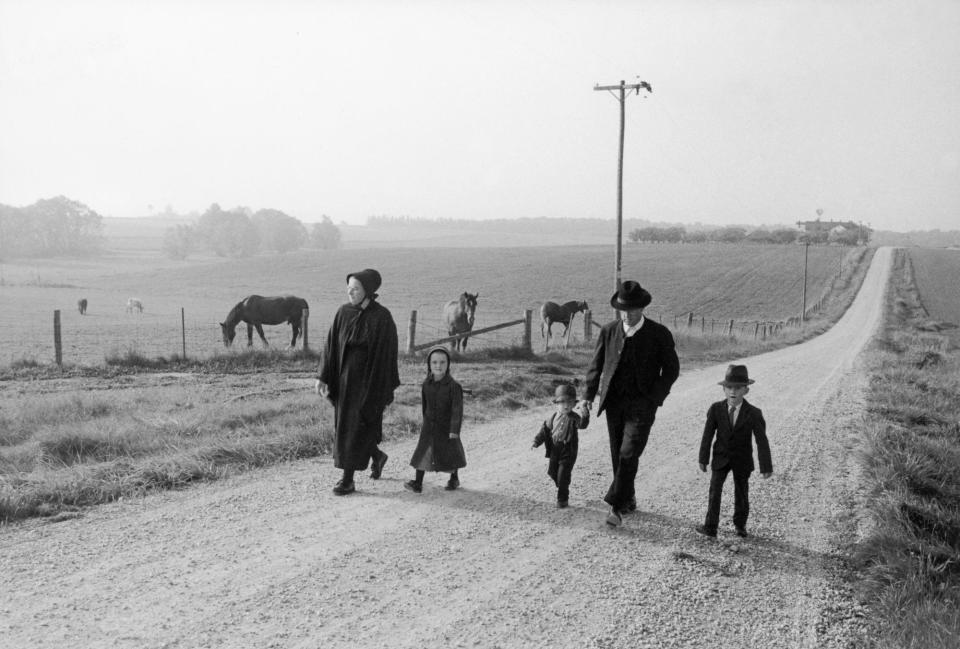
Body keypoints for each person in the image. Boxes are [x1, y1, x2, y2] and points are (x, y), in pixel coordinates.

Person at [582, 280, 680, 527]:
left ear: (642, 309)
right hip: (614, 403)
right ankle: (629, 496)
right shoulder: (609, 331)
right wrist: (587, 397)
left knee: (629, 451)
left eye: (633, 310)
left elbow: (671, 370)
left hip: (642, 405)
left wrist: (654, 398)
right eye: (624, 310)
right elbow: (596, 366)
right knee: (618, 454)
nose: (628, 314)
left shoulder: (659, 334)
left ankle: (616, 506)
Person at [316, 268, 400, 495]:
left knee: (358, 424)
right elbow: (330, 345)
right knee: (348, 426)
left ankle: (347, 480)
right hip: (344, 380)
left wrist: (380, 387)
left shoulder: (381, 317)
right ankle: (377, 455)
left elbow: (387, 354)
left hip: (368, 381)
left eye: (356, 289)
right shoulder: (343, 312)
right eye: (348, 289)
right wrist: (323, 376)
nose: (350, 293)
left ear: (368, 291)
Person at [696, 364, 772, 538]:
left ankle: (740, 526)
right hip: (720, 457)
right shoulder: (716, 409)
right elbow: (707, 435)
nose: (733, 392)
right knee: (714, 490)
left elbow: (762, 441)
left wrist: (766, 466)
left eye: (738, 388)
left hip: (742, 459)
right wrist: (703, 458)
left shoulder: (753, 413)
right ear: (723, 389)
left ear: (746, 390)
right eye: (729, 387)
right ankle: (710, 527)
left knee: (742, 492)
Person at [404, 346, 466, 493]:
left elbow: (457, 410)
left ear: (448, 364)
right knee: (423, 451)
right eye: (435, 362)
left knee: (451, 453)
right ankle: (417, 482)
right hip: (429, 426)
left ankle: (454, 479)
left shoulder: (454, 386)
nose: (438, 366)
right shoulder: (426, 385)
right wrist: (425, 423)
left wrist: (454, 430)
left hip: (447, 427)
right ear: (429, 365)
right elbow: (425, 406)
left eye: (442, 362)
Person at [531, 383, 590, 508]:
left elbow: (583, 425)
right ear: (557, 404)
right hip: (555, 449)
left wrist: (585, 412)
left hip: (568, 450)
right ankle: (563, 484)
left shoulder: (575, 418)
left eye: (570, 402)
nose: (566, 405)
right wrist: (536, 442)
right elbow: (544, 431)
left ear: (574, 404)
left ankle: (562, 499)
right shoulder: (552, 418)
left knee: (563, 475)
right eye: (562, 402)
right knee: (552, 472)